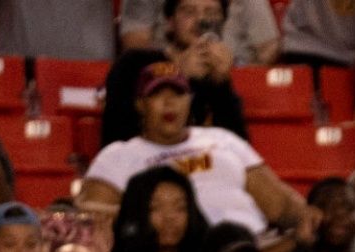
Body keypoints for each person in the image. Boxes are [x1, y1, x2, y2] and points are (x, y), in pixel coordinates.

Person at [78, 62, 309, 240]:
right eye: (157, 94)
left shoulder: (223, 139)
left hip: (252, 245)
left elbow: (279, 205)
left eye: (178, 94)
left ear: (189, 100)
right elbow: (89, 214)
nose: (169, 103)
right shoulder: (118, 156)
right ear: (140, 104)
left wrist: (313, 217)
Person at [106, 0, 254, 145]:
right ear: (170, 21)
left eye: (211, 12)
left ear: (223, 23)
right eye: (189, 11)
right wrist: (177, 76)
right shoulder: (132, 64)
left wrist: (222, 86)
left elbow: (240, 155)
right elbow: (118, 142)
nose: (200, 20)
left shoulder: (218, 74)